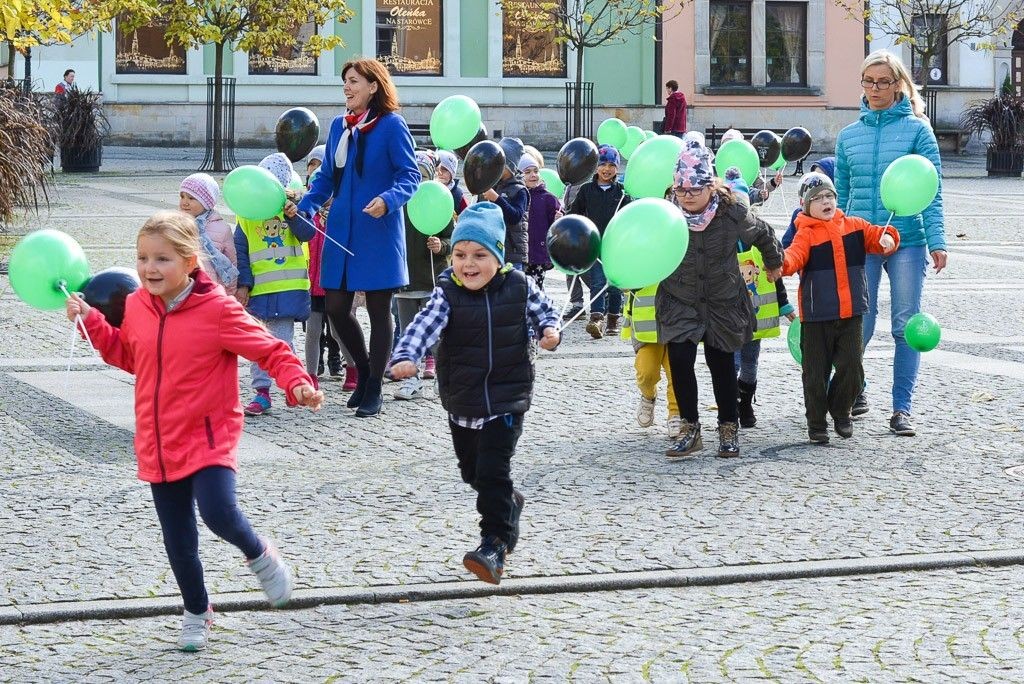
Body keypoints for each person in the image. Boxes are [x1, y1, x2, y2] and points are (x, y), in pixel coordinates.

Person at [65, 211, 323, 652]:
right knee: (178, 542)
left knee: (218, 512)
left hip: (209, 434)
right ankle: (196, 611)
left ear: (189, 262)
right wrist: (91, 321)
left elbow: (271, 348)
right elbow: (130, 356)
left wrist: (296, 380)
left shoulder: (218, 310)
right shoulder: (136, 307)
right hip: (157, 440)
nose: (149, 268)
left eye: (162, 259)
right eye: (143, 258)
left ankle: (259, 552)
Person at [389, 202, 561, 585]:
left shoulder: (519, 285)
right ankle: (510, 501)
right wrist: (407, 355)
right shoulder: (447, 292)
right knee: (473, 472)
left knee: (492, 470)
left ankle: (494, 545)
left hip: (507, 398)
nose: (468, 264)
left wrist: (551, 331)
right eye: (460, 254)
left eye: (480, 255)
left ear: (498, 258)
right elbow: (421, 326)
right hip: (462, 401)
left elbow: (546, 312)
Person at [297, 58, 420, 418]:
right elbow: (325, 181)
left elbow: (409, 175)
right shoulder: (339, 126)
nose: (347, 88)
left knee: (381, 311)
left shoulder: (392, 126)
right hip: (340, 231)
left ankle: (375, 389)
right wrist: (305, 206)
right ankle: (365, 371)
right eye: (345, 83)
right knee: (336, 308)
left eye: (353, 82)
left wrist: (388, 200)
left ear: (373, 86)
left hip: (378, 230)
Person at [836, 49, 946, 436]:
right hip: (862, 241)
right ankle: (855, 389)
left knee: (904, 325)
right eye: (869, 81)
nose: (875, 89)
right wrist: (838, 239)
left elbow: (931, 190)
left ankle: (902, 408)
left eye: (884, 81)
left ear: (899, 84)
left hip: (909, 241)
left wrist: (938, 241)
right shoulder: (849, 136)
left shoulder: (918, 130)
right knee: (858, 324)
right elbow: (841, 197)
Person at [659, 140, 782, 459]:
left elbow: (763, 233)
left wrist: (773, 262)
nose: (688, 195)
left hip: (722, 298)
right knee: (681, 360)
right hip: (679, 296)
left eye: (695, 189)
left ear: (710, 185)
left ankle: (729, 427)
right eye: (682, 189)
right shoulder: (666, 211)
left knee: (721, 364)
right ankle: (689, 428)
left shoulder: (731, 208)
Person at [782, 172, 900, 443]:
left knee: (852, 367)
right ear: (805, 205)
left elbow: (878, 235)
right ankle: (816, 424)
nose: (826, 201)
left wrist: (889, 239)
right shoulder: (805, 234)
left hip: (851, 313)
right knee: (815, 373)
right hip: (816, 316)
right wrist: (781, 263)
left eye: (829, 196)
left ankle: (840, 409)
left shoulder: (854, 225)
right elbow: (793, 256)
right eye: (818, 198)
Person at [234, 152, 314, 416]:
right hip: (259, 291)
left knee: (283, 342)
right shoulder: (247, 213)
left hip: (288, 289)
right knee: (258, 344)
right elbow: (241, 251)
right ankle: (262, 391)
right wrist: (243, 284)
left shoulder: (294, 207)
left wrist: (295, 216)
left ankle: (292, 383)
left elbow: (308, 234)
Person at [722, 169, 796, 428]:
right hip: (728, 315)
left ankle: (746, 401)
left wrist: (784, 304)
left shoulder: (761, 236)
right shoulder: (721, 239)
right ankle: (730, 404)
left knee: (750, 362)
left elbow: (776, 273)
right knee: (732, 361)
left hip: (756, 315)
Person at [393, 150, 453, 401]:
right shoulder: (398, 203)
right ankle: (411, 380)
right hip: (405, 281)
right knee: (408, 334)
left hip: (430, 279)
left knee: (436, 334)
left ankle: (447, 379)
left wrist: (442, 246)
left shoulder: (438, 201)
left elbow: (452, 238)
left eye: (422, 175)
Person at [567, 144, 630, 338]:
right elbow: (576, 212)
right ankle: (596, 319)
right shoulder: (587, 190)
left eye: (612, 164)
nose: (607, 169)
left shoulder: (621, 192)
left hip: (615, 245)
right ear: (596, 167)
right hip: (595, 243)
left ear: (617, 168)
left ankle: (612, 319)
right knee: (597, 282)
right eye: (603, 164)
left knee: (614, 285)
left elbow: (628, 217)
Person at [622, 285, 681, 439]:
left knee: (677, 372)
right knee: (646, 373)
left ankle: (676, 413)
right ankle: (648, 396)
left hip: (678, 319)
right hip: (645, 323)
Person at [177, 173, 238, 296]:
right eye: (182, 196)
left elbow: (232, 263)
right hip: (182, 290)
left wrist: (229, 294)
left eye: (191, 198)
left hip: (211, 293)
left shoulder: (222, 229)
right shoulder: (176, 226)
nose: (185, 202)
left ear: (206, 202)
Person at [478, 137, 530, 270]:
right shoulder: (491, 184)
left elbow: (515, 217)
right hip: (491, 249)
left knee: (511, 289)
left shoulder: (519, 190)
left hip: (512, 254)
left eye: (500, 164)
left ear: (509, 166)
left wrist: (497, 199)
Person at [520, 154, 561, 290]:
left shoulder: (548, 198)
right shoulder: (516, 196)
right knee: (521, 288)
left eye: (536, 171)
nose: (533, 175)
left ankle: (538, 309)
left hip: (538, 253)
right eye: (527, 172)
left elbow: (556, 224)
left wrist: (558, 219)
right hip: (519, 253)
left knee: (536, 288)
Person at [435, 149, 468, 215]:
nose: (440, 173)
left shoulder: (458, 196)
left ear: (452, 173)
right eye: (436, 169)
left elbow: (467, 216)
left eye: (444, 169)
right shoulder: (426, 189)